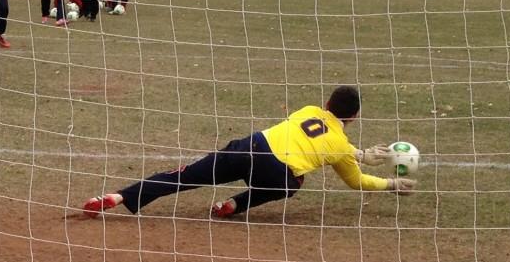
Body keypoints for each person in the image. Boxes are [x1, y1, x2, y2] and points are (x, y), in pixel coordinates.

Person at [83, 85, 415, 219]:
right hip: (274, 173)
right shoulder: (342, 147)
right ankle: (233, 205)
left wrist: (357, 152)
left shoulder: (309, 109)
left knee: (184, 177)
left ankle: (119, 197)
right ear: (354, 117)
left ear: (326, 104)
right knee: (293, 183)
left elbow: (323, 137)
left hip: (250, 147)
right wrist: (390, 183)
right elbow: (354, 179)